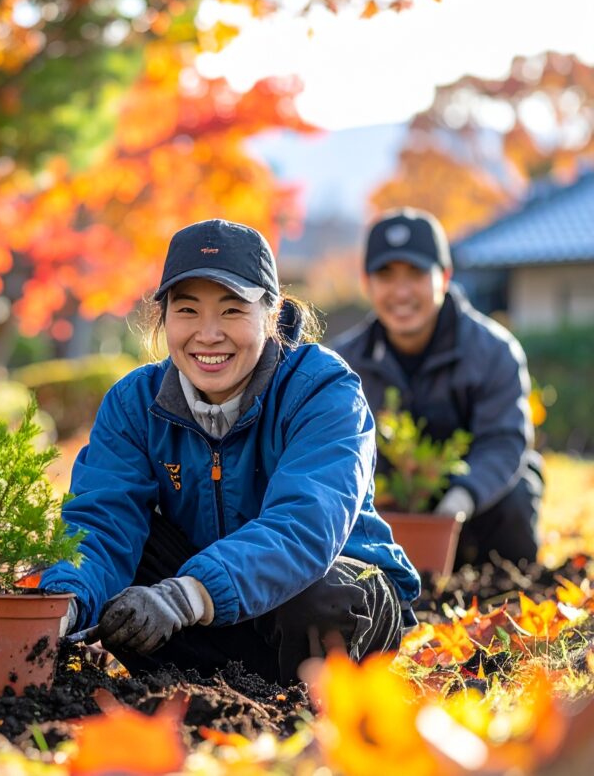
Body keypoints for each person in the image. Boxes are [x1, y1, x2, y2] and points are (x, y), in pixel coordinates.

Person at [40, 219, 420, 685]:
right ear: (163, 317)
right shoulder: (133, 402)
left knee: (320, 598)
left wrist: (188, 595)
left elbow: (306, 524)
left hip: (327, 606)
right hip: (206, 613)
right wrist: (59, 609)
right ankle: (206, 686)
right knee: (123, 572)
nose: (208, 334)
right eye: (187, 311)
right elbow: (101, 523)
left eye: (233, 310)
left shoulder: (322, 389)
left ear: (272, 313)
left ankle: (301, 698)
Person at [331, 208, 541, 568]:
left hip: (473, 501)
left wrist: (459, 502)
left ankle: (505, 588)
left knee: (518, 493)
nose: (401, 291)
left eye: (416, 274)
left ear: (444, 277)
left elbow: (504, 441)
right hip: (385, 508)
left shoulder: (494, 351)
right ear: (367, 283)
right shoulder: (342, 362)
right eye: (386, 275)